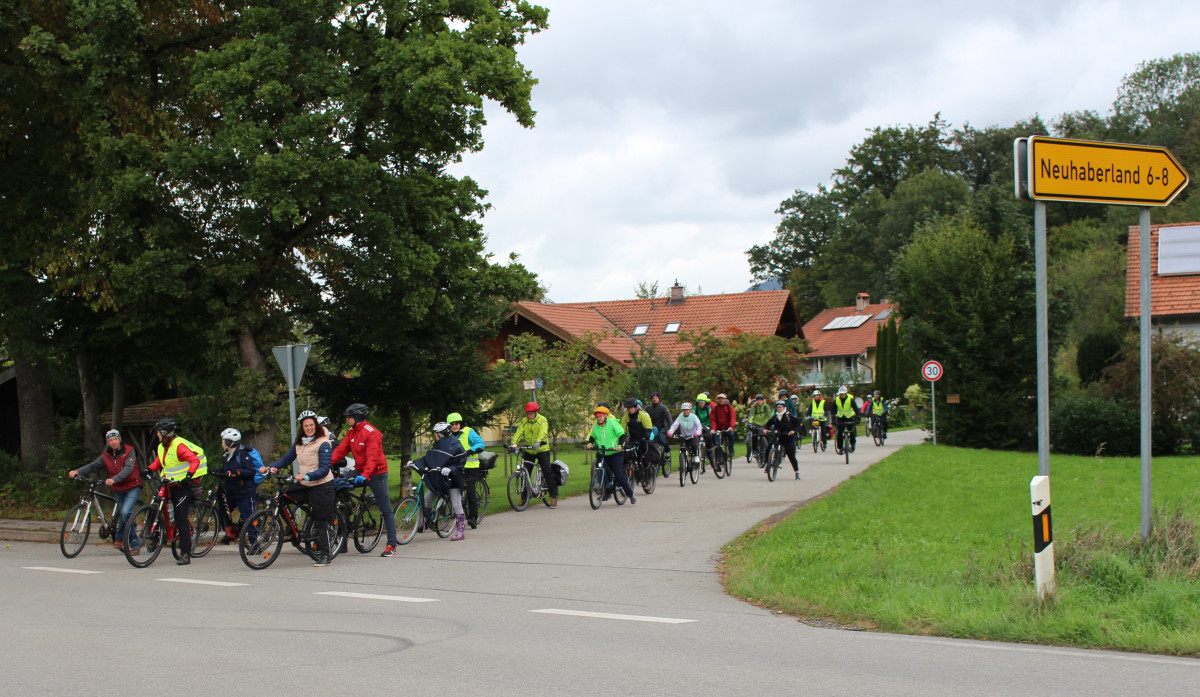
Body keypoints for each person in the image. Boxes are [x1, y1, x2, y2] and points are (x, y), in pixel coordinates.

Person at [262, 412, 336, 566]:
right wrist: (270, 468)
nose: (309, 428)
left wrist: (307, 476)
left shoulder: (323, 443)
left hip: (321, 485)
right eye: (305, 425)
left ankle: (325, 555)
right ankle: (292, 530)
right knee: (281, 498)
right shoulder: (300, 442)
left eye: (311, 425)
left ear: (316, 425)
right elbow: (286, 459)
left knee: (320, 520)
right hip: (305, 484)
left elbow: (324, 468)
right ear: (302, 427)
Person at [331, 403, 400, 557]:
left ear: (357, 417)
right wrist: (325, 464)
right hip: (360, 470)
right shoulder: (351, 432)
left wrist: (366, 474)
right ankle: (347, 518)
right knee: (338, 485)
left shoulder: (372, 433)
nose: (347, 419)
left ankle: (392, 545)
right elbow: (341, 450)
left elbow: (372, 458)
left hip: (377, 473)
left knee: (386, 509)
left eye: (349, 417)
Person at [145, 418, 207, 565]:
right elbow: (160, 461)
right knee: (154, 505)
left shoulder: (179, 446)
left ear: (164, 433)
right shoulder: (162, 446)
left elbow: (194, 460)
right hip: (168, 482)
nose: (156, 435)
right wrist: (148, 469)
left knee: (180, 519)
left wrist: (189, 476)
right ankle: (154, 536)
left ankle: (185, 554)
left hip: (182, 485)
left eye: (158, 432)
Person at [69, 429, 141, 552]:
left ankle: (119, 537)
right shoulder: (106, 456)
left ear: (120, 440)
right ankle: (134, 545)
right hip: (118, 489)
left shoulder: (129, 451)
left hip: (132, 487)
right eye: (111, 440)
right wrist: (78, 471)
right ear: (108, 442)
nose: (113, 442)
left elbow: (128, 469)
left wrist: (114, 479)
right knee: (125, 515)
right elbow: (93, 466)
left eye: (115, 439)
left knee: (124, 513)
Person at [410, 422, 469, 540]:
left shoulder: (455, 444)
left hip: (453, 479)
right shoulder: (438, 444)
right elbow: (430, 458)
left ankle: (461, 531)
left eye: (436, 433)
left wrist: (451, 469)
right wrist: (415, 463)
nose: (434, 436)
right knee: (426, 500)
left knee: (456, 504)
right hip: (439, 478)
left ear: (441, 434)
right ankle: (425, 522)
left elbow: (461, 461)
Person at [218, 427, 262, 543]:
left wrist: (237, 473)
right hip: (231, 492)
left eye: (223, 441)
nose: (222, 443)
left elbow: (251, 471)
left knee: (249, 519)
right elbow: (226, 470)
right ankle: (232, 531)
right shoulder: (228, 455)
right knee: (220, 510)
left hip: (244, 493)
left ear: (229, 442)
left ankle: (254, 544)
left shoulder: (242, 455)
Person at [509, 402, 557, 507]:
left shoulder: (542, 420)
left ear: (535, 413)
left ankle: (554, 496)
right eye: (527, 413)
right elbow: (519, 432)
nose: (528, 416)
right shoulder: (524, 421)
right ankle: (524, 498)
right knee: (525, 474)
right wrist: (513, 443)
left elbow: (543, 432)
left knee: (547, 471)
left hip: (542, 448)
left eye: (530, 413)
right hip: (529, 450)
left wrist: (538, 442)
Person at [586, 406, 635, 504]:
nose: (599, 418)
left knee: (618, 474)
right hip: (602, 453)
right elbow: (592, 437)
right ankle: (606, 491)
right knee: (600, 471)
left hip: (615, 453)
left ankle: (630, 495)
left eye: (600, 416)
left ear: (605, 416)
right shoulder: (596, 427)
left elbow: (621, 434)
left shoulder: (612, 424)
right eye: (597, 417)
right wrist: (590, 443)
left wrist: (620, 445)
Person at [448, 412, 486, 528]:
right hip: (457, 468)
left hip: (471, 467)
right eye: (452, 424)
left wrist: (470, 451)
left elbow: (481, 443)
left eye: (456, 423)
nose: (454, 426)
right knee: (453, 490)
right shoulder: (449, 436)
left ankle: (473, 517)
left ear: (460, 424)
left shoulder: (468, 431)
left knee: (470, 491)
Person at [764, 400, 801, 479]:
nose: (779, 409)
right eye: (777, 407)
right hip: (779, 435)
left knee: (790, 454)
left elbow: (798, 422)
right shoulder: (775, 416)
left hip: (788, 436)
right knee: (768, 448)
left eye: (780, 407)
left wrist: (793, 431)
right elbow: (767, 424)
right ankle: (768, 464)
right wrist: (766, 429)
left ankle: (796, 472)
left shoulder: (788, 415)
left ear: (784, 408)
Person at [666, 401, 704, 479]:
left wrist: (697, 433)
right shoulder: (680, 417)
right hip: (684, 436)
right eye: (684, 410)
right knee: (682, 450)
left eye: (687, 410)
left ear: (690, 410)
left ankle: (696, 456)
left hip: (693, 435)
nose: (685, 411)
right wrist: (670, 432)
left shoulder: (693, 417)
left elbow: (698, 425)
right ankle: (683, 464)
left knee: (694, 445)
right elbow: (675, 425)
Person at [620, 398, 656, 478]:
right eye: (628, 408)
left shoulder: (642, 415)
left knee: (644, 457)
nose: (630, 410)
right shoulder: (626, 417)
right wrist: (621, 439)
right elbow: (622, 429)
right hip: (632, 440)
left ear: (636, 407)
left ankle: (649, 478)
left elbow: (648, 428)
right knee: (626, 456)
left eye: (631, 408)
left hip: (643, 439)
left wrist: (644, 438)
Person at [646, 392, 673, 467]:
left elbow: (668, 417)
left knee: (662, 439)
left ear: (659, 399)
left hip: (661, 427)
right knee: (650, 441)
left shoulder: (663, 407)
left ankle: (667, 451)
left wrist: (671, 428)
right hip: (652, 427)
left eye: (656, 398)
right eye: (653, 398)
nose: (655, 400)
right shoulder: (648, 408)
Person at [710, 393, 737, 464]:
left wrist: (731, 426)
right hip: (718, 428)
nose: (721, 400)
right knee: (716, 442)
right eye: (719, 399)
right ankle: (718, 459)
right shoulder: (715, 409)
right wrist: (713, 429)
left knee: (731, 435)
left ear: (725, 399)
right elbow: (713, 419)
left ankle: (731, 450)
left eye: (722, 399)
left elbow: (732, 417)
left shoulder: (729, 407)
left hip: (727, 427)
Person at [745, 394, 771, 463]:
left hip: (764, 424)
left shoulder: (766, 407)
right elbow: (751, 415)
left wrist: (771, 423)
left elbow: (769, 415)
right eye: (758, 400)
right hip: (755, 424)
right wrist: (750, 423)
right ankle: (755, 451)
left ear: (763, 401)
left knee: (766, 437)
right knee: (754, 437)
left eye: (761, 400)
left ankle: (767, 451)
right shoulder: (754, 407)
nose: (759, 402)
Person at [833, 386, 858, 452]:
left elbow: (856, 409)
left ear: (846, 393)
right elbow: (833, 410)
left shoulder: (850, 399)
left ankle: (853, 443)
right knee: (839, 433)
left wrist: (858, 418)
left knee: (851, 431)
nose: (842, 395)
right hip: (840, 417)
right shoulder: (836, 400)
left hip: (849, 417)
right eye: (840, 394)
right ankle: (840, 448)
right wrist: (833, 420)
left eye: (843, 394)